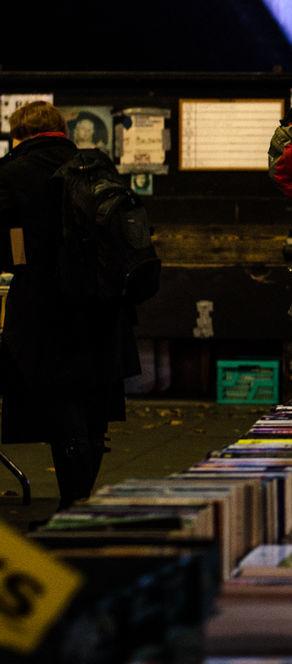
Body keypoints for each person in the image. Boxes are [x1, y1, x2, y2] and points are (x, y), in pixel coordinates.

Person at [0, 101, 138, 509]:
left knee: (62, 407)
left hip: (47, 308)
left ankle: (71, 508)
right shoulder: (97, 167)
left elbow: (8, 248)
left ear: (18, 133)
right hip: (104, 305)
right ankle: (79, 502)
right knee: (94, 407)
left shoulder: (12, 173)